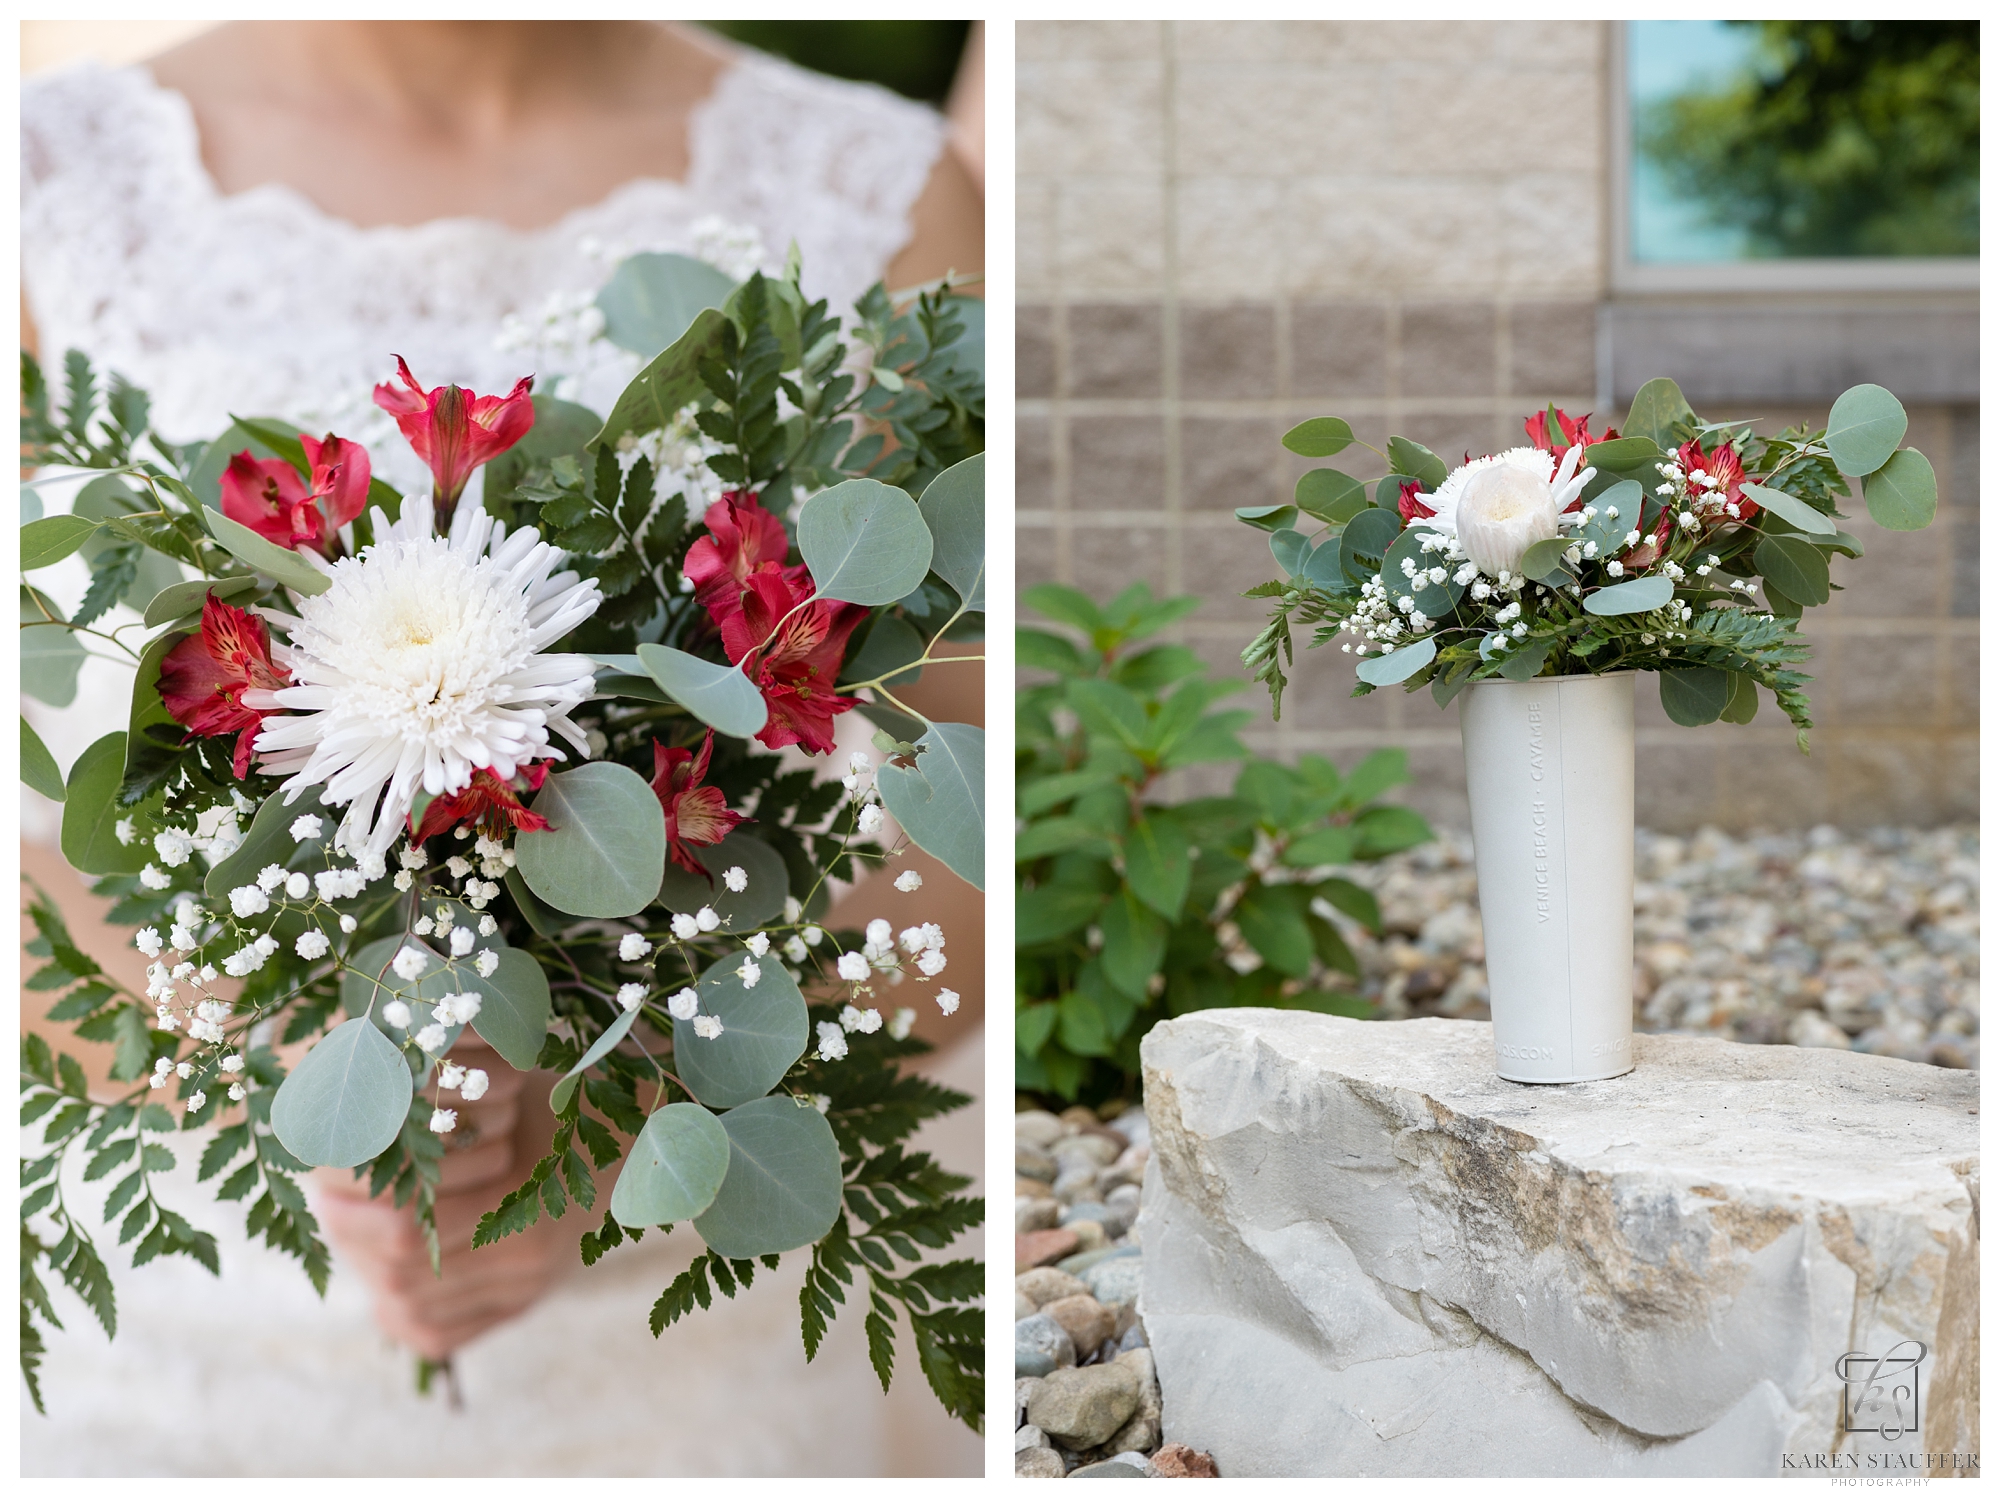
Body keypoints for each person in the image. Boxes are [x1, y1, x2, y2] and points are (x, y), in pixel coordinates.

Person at [20, 21, 983, 1472]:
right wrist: (289, 1073)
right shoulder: (46, 179)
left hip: (682, 1342)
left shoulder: (883, 193)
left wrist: (612, 1107)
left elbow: (980, 839)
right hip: (182, 1316)